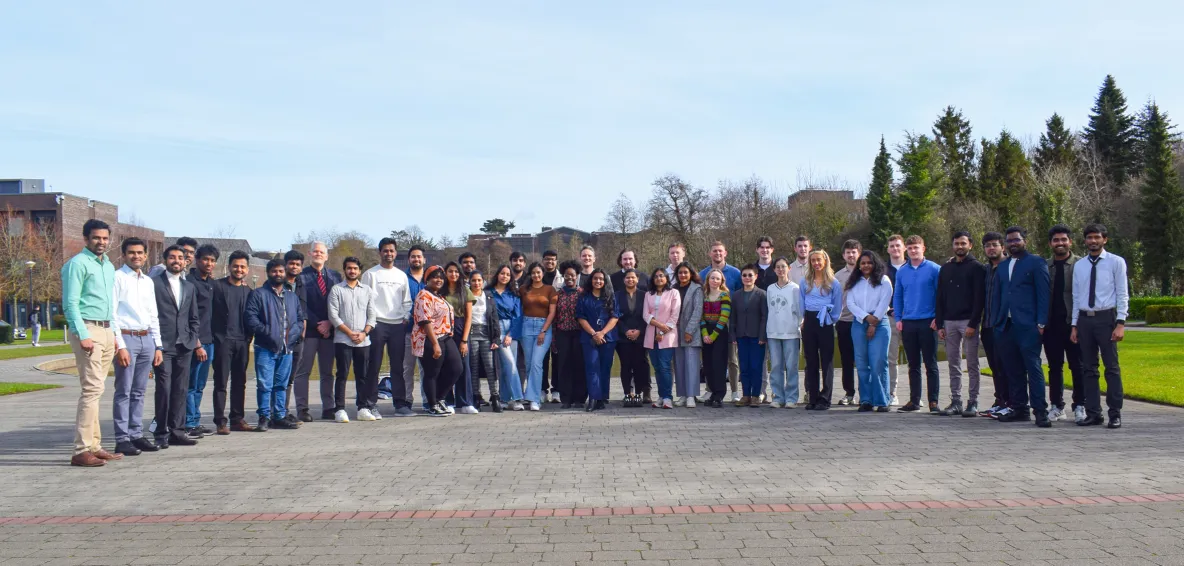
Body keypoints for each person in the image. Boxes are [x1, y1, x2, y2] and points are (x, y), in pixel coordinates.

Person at [63, 219, 120, 467]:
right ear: (86, 238)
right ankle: (81, 449)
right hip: (89, 329)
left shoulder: (107, 265)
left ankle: (94, 445)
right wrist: (82, 333)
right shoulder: (77, 264)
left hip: (106, 329)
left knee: (98, 389)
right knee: (91, 390)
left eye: (105, 238)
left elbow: (111, 305)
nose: (101, 242)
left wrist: (115, 335)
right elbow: (70, 303)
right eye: (96, 238)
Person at [990, 226, 1052, 428]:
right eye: (1009, 241)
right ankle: (1019, 409)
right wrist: (996, 322)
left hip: (1028, 325)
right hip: (1005, 326)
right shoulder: (1002, 266)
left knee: (1033, 368)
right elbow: (997, 296)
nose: (1013, 243)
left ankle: (1040, 411)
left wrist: (1041, 322)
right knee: (1012, 369)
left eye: (1016, 240)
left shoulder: (1036, 262)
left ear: (1024, 240)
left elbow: (1044, 295)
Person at [1071, 223, 1128, 429]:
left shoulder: (1116, 262)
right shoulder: (1080, 265)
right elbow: (1077, 297)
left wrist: (1120, 322)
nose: (1093, 241)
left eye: (1097, 237)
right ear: (1085, 240)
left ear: (1105, 239)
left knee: (1111, 367)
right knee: (1088, 368)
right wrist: (1074, 325)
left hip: (1107, 318)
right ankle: (1094, 412)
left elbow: (1122, 293)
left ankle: (1115, 413)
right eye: (1089, 238)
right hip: (1085, 319)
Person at [111, 237, 163, 456]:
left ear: (146, 255)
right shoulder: (117, 277)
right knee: (124, 390)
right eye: (132, 252)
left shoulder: (148, 281)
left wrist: (157, 345)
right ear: (124, 255)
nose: (136, 256)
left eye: (140, 252)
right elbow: (112, 313)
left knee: (140, 391)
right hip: (127, 337)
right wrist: (120, 346)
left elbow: (153, 314)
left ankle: (136, 434)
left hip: (146, 339)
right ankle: (122, 438)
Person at [244, 259, 305, 431]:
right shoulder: (258, 294)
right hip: (266, 347)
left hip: (287, 348)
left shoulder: (292, 296)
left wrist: (293, 335)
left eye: (280, 271)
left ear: (285, 273)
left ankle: (279, 416)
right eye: (274, 271)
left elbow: (299, 320)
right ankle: (264, 416)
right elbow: (251, 318)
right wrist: (268, 333)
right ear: (268, 272)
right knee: (264, 384)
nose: (277, 274)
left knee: (281, 385)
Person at [152, 245, 202, 447]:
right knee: (164, 388)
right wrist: (156, 344)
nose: (177, 261)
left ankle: (177, 431)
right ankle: (161, 433)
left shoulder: (189, 286)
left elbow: (194, 316)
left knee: (181, 389)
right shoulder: (153, 284)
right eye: (172, 257)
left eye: (180, 258)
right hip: (163, 345)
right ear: (165, 260)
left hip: (184, 345)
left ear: (185, 261)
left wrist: (193, 337)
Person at [935, 231, 985, 417]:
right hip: (949, 322)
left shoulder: (977, 268)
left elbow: (979, 298)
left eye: (963, 243)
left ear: (970, 245)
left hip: (968, 322)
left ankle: (973, 401)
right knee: (953, 363)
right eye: (956, 243)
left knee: (972, 363)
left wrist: (973, 323)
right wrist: (940, 324)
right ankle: (956, 401)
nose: (959, 246)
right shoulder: (946, 269)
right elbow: (940, 297)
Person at [362, 238, 413, 417]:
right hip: (377, 324)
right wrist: (370, 321)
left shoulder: (401, 275)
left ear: (395, 253)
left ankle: (400, 404)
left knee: (397, 367)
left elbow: (407, 301)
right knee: (373, 365)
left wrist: (406, 317)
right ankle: (370, 404)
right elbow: (364, 300)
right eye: (385, 250)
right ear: (380, 252)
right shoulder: (370, 274)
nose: (388, 253)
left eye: (391, 250)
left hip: (398, 325)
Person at [292, 242, 342, 422]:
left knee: (327, 372)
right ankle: (302, 409)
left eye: (322, 252)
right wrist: (317, 323)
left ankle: (328, 407)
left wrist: (330, 322)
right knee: (302, 371)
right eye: (315, 251)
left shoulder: (335, 276)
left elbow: (339, 303)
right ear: (309, 254)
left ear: (327, 256)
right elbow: (299, 303)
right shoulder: (301, 277)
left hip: (330, 331)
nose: (318, 254)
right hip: (309, 331)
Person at [893, 235, 941, 413]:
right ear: (906, 249)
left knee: (931, 363)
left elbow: (940, 296)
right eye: (910, 248)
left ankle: (934, 402)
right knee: (913, 364)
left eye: (916, 248)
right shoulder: (902, 271)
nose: (913, 251)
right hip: (908, 323)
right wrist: (898, 318)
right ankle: (914, 400)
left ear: (923, 248)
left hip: (929, 322)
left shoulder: (934, 269)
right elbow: (897, 296)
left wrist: (939, 318)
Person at [328, 256, 377, 423]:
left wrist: (364, 333)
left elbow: (372, 315)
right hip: (343, 339)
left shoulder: (367, 290)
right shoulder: (336, 290)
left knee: (362, 374)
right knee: (342, 374)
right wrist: (349, 332)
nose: (352, 271)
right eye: (349, 268)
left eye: (355, 268)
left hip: (363, 340)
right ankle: (340, 409)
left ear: (359, 271)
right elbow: (333, 316)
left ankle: (363, 407)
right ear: (345, 270)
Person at [211, 251, 254, 433]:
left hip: (242, 341)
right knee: (221, 382)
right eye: (235, 266)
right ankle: (221, 421)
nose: (239, 269)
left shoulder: (248, 291)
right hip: (223, 341)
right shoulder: (218, 287)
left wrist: (249, 338)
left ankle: (237, 419)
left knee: (239, 382)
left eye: (242, 266)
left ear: (247, 269)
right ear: (229, 267)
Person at [845, 251, 893, 412]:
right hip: (859, 323)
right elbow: (850, 303)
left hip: (880, 324)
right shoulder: (854, 282)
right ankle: (866, 399)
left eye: (869, 263)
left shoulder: (883, 280)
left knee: (878, 362)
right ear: (859, 265)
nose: (866, 266)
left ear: (875, 264)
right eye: (863, 263)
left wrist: (874, 322)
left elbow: (885, 301)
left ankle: (881, 400)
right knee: (862, 363)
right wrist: (865, 317)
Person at [1044, 225, 1083, 423]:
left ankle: (1080, 405)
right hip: (1051, 325)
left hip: (1073, 324)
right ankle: (1056, 406)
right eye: (1056, 240)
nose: (1060, 243)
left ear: (1070, 242)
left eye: (1063, 240)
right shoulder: (1045, 265)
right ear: (1050, 243)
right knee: (1054, 367)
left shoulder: (1080, 264)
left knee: (1077, 366)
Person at [413, 265, 464, 417]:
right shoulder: (423, 295)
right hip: (430, 338)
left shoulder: (439, 296)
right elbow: (425, 321)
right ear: (427, 279)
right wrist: (435, 344)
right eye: (434, 277)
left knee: (456, 368)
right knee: (432, 373)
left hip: (446, 336)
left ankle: (439, 398)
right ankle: (432, 404)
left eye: (441, 277)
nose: (438, 280)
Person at [800, 250, 842, 411]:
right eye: (813, 261)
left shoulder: (833, 282)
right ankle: (812, 396)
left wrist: (831, 319)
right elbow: (801, 301)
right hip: (809, 320)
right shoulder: (805, 281)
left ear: (825, 261)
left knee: (827, 361)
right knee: (810, 361)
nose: (816, 263)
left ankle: (825, 398)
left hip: (825, 320)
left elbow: (838, 305)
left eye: (819, 260)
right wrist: (803, 320)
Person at [183, 244, 217, 437]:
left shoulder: (211, 283)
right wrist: (196, 344)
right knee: (191, 384)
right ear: (197, 260)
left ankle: (195, 420)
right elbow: (187, 317)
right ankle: (188, 422)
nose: (209, 263)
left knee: (201, 384)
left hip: (210, 340)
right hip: (196, 342)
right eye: (205, 259)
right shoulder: (189, 283)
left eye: (212, 260)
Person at [577, 269, 620, 411]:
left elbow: (615, 317)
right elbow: (581, 317)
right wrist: (594, 333)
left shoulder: (610, 297)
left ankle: (602, 398)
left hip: (608, 337)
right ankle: (593, 398)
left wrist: (602, 333)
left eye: (601, 279)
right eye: (595, 278)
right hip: (589, 338)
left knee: (604, 368)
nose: (598, 281)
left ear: (605, 281)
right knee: (591, 367)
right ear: (591, 280)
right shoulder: (584, 297)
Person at [978, 232, 1010, 417]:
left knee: (1007, 366)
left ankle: (1011, 402)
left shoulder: (1009, 267)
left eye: (994, 245)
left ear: (1002, 247)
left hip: (1004, 325)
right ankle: (1000, 400)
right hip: (988, 324)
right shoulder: (986, 270)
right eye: (987, 245)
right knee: (995, 366)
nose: (991, 248)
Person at [766, 256, 803, 408]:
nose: (781, 270)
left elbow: (800, 311)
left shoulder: (795, 288)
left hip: (791, 332)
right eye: (778, 267)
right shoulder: (770, 288)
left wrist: (797, 325)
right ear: (774, 270)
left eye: (783, 266)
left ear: (789, 268)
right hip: (773, 332)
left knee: (791, 366)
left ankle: (791, 397)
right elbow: (769, 309)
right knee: (775, 366)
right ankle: (778, 396)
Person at [520, 262, 557, 411]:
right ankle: (531, 395)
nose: (536, 275)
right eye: (533, 272)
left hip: (544, 328)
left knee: (536, 363)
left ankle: (534, 399)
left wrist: (543, 330)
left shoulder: (550, 289)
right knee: (529, 364)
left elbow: (552, 312)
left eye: (538, 272)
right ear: (530, 274)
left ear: (542, 273)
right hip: (526, 326)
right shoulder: (524, 289)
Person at [643, 268, 681, 409]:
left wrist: (663, 331)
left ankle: (667, 397)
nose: (659, 278)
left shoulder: (673, 293)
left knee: (665, 367)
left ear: (666, 278)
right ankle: (660, 396)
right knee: (657, 367)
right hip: (651, 335)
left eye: (661, 276)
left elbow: (674, 315)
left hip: (668, 335)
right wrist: (658, 326)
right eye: (656, 276)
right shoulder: (648, 294)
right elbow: (645, 315)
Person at [731, 264, 768, 408]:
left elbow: (764, 317)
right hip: (741, 335)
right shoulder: (736, 295)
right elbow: (732, 317)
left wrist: (762, 336)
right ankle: (745, 395)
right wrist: (733, 335)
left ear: (756, 277)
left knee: (756, 366)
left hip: (756, 337)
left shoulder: (762, 294)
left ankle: (756, 395)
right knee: (744, 366)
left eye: (750, 275)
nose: (747, 278)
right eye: (744, 275)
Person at [443, 262, 477, 414]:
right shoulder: (440, 291)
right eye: (450, 271)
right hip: (444, 329)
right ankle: (448, 401)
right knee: (447, 366)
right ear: (445, 273)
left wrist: (464, 340)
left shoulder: (465, 290)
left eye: (456, 272)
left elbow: (469, 317)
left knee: (464, 365)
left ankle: (465, 402)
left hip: (460, 327)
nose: (453, 274)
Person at [552, 261, 587, 409]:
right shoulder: (558, 294)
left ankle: (580, 398)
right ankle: (566, 398)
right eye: (567, 276)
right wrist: (554, 338)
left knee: (579, 365)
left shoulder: (583, 293)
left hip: (579, 333)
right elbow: (554, 316)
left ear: (577, 276)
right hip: (562, 333)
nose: (569, 278)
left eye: (572, 275)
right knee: (564, 365)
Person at [395, 244, 426, 415]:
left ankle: (427, 400)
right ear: (409, 260)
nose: (416, 259)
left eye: (419, 256)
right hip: (407, 329)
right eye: (413, 256)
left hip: (426, 332)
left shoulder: (430, 277)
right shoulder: (402, 278)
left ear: (424, 259)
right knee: (407, 368)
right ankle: (407, 400)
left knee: (426, 368)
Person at [490, 265, 525, 411]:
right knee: (508, 365)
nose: (505, 276)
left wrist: (510, 335)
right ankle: (517, 398)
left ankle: (505, 399)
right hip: (495, 329)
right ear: (497, 274)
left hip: (511, 330)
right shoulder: (489, 293)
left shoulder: (513, 294)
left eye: (508, 275)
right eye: (502, 273)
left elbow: (518, 317)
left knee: (509, 366)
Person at [614, 268, 650, 405]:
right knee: (626, 365)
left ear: (637, 279)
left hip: (641, 336)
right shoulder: (617, 295)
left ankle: (639, 393)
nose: (630, 280)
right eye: (627, 278)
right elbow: (616, 315)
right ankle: (627, 393)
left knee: (640, 364)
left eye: (633, 277)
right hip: (623, 337)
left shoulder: (644, 295)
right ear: (624, 280)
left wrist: (639, 330)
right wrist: (626, 331)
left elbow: (647, 315)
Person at [469, 270, 503, 412]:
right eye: (473, 280)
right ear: (469, 282)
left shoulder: (488, 296)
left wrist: (496, 338)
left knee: (490, 366)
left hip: (486, 334)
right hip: (471, 334)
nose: (476, 283)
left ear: (483, 282)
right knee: (474, 366)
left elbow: (494, 318)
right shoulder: (467, 296)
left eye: (479, 280)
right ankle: (476, 396)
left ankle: (495, 397)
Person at [280, 249, 308, 426]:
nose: (294, 267)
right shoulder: (278, 284)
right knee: (278, 377)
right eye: (291, 263)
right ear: (285, 265)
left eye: (298, 264)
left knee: (290, 376)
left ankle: (284, 411)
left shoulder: (302, 285)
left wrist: (303, 329)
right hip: (280, 338)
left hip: (298, 338)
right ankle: (276, 412)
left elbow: (303, 310)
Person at [833, 240, 862, 406]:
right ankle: (849, 393)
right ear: (843, 255)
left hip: (862, 321)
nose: (851, 255)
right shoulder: (837, 276)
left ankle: (865, 392)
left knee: (864, 359)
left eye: (854, 251)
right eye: (848, 252)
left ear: (859, 252)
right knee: (846, 360)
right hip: (844, 321)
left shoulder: (866, 271)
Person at [699, 268, 732, 407]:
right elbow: (700, 316)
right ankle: (712, 392)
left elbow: (724, 317)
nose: (714, 281)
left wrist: (713, 335)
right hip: (706, 331)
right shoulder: (703, 295)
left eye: (717, 278)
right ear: (708, 280)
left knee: (719, 364)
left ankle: (719, 394)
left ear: (721, 281)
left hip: (720, 332)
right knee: (708, 365)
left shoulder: (724, 296)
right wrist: (705, 334)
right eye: (712, 278)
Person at [673, 262, 704, 407]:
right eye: (680, 272)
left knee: (691, 365)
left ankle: (691, 395)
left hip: (691, 332)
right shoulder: (673, 289)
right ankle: (683, 395)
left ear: (691, 273)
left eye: (685, 272)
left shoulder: (697, 289)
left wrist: (689, 331)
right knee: (679, 365)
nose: (683, 275)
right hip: (675, 332)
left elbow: (698, 311)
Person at [885, 234, 906, 405]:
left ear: (904, 247)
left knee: (915, 360)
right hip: (891, 319)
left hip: (912, 319)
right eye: (892, 246)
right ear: (888, 249)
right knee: (891, 358)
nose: (895, 249)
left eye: (898, 245)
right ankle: (892, 393)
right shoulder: (883, 270)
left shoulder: (913, 266)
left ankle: (916, 395)